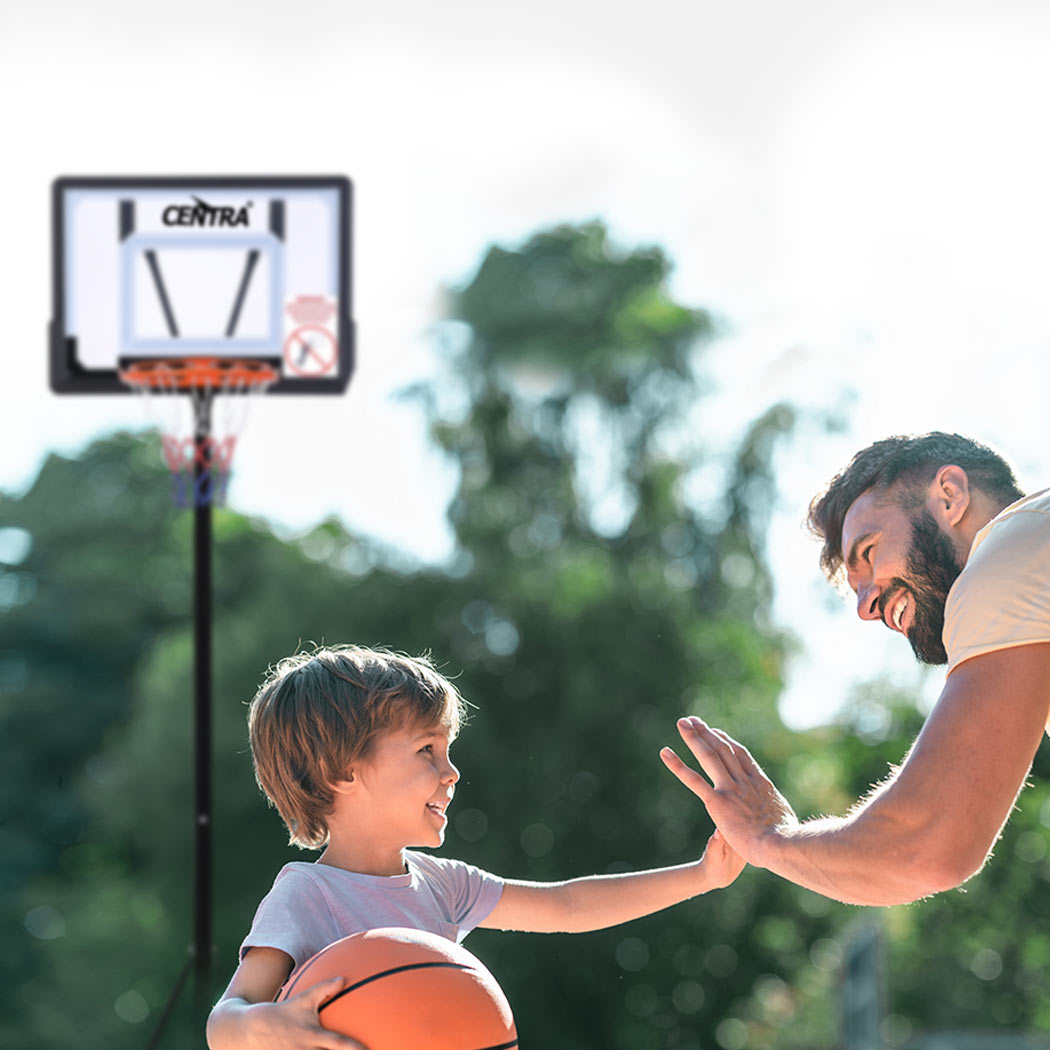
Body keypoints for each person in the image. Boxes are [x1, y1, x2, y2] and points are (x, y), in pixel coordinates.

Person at [207, 644, 744, 1050]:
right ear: (343, 770)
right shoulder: (306, 894)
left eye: (448, 749)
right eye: (427, 750)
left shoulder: (443, 884)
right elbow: (223, 1021)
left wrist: (702, 876)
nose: (452, 772)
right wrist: (262, 1025)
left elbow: (567, 905)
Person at [661, 431, 1050, 907]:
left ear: (950, 495)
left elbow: (923, 846)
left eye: (868, 552)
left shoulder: (1004, 557)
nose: (866, 608)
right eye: (856, 589)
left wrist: (767, 839)